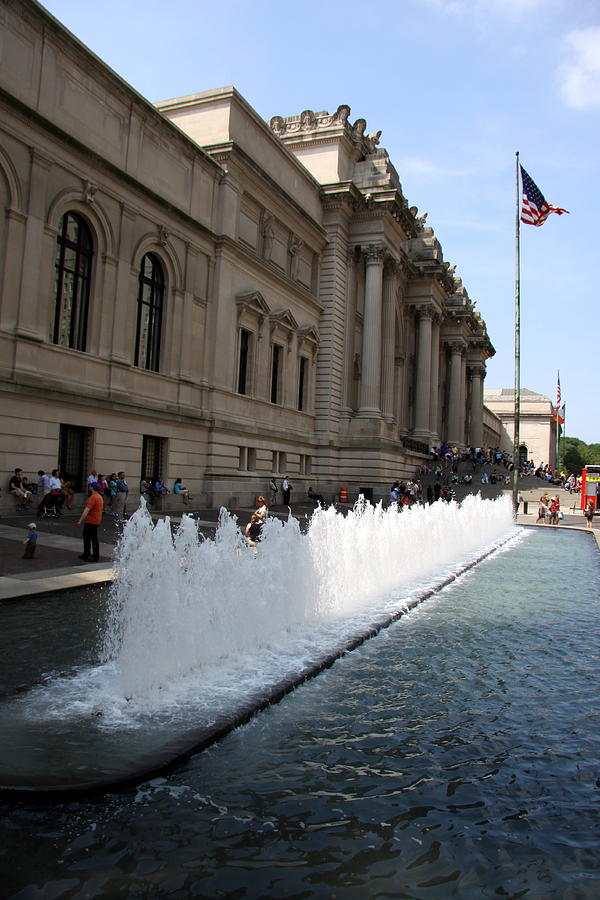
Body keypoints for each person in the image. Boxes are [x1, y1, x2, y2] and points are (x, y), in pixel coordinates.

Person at [76, 481, 103, 562]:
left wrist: (80, 520)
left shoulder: (93, 497)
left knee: (90, 538)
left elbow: (86, 510)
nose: (89, 487)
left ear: (92, 488)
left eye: (90, 486)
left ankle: (93, 556)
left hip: (91, 521)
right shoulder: (99, 497)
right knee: (90, 537)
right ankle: (88, 554)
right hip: (96, 520)